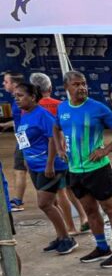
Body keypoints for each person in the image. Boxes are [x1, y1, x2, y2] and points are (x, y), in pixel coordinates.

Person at [47, 70, 112, 269]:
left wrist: (106, 150)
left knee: (110, 209)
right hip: (75, 171)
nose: (82, 87)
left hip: (98, 170)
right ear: (66, 87)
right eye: (76, 84)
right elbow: (56, 128)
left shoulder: (97, 108)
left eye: (83, 83)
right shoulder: (62, 108)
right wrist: (60, 148)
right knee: (90, 210)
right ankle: (102, 248)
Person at [13, 82, 76, 254]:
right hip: (34, 166)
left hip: (48, 166)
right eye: (15, 96)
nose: (17, 99)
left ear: (33, 97)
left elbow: (54, 138)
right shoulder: (25, 115)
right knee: (51, 203)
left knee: (44, 203)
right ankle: (61, 236)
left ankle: (67, 239)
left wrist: (50, 163)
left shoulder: (43, 115)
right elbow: (23, 139)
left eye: (20, 95)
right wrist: (26, 160)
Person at [31, 72, 87, 236]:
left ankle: (70, 227)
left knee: (60, 192)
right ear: (50, 88)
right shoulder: (61, 105)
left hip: (49, 154)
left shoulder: (35, 109)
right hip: (68, 150)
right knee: (70, 188)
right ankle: (84, 217)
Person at [1, 71, 28, 212]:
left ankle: (18, 201)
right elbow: (19, 121)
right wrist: (5, 125)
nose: (3, 84)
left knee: (20, 170)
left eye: (6, 81)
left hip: (24, 138)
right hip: (22, 137)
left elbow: (27, 120)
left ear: (15, 84)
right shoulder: (17, 100)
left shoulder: (21, 101)